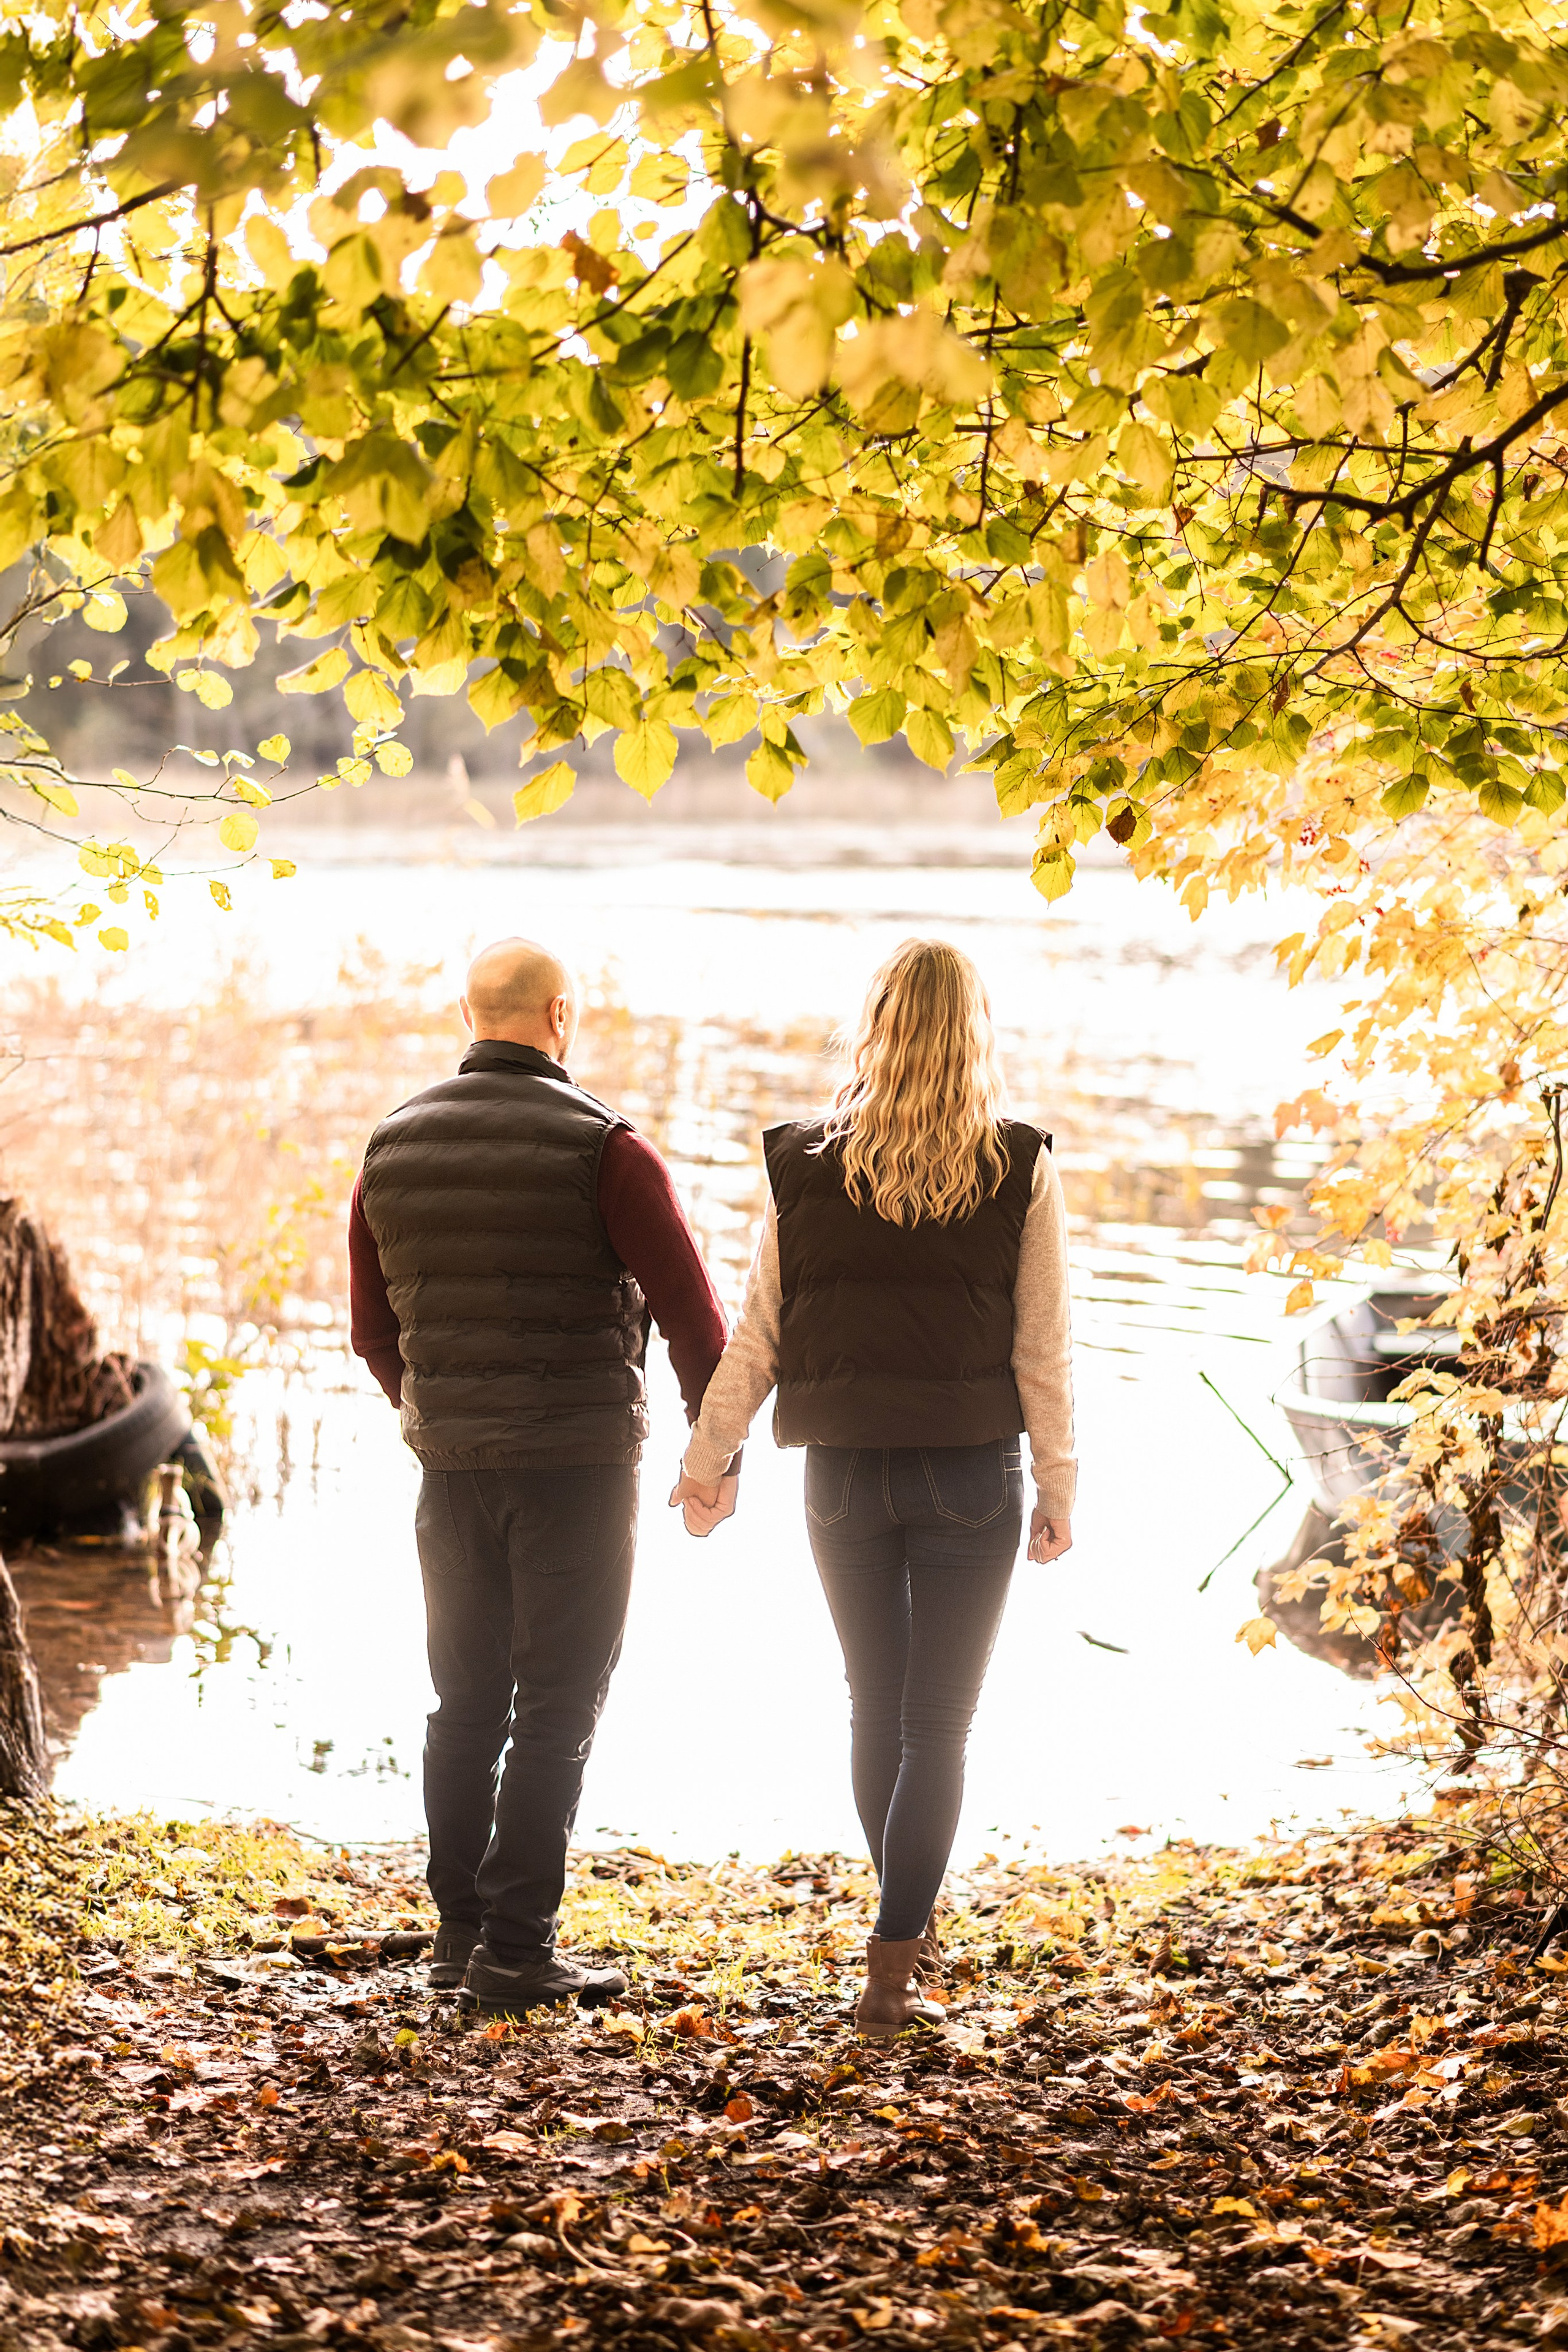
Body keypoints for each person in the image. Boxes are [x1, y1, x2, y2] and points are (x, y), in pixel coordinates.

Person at [670, 938, 1074, 2039]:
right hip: (968, 1475)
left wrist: (709, 1457)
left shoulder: (804, 1162)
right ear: (974, 1033)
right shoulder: (1021, 1163)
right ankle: (895, 1968)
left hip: (843, 1475)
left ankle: (903, 1919)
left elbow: (757, 1337)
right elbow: (1044, 1351)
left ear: (876, 1027)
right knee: (937, 1726)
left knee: (875, 1707)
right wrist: (1060, 1481)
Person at [350, 937, 728, 2015]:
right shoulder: (608, 1150)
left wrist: (437, 1414)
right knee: (557, 1707)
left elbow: (373, 1333)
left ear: (470, 1017)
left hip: (451, 1472)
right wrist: (715, 1457)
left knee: (462, 1705)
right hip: (577, 1472)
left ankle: (459, 1932)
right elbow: (697, 1322)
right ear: (560, 1016)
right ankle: (516, 1951)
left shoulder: (391, 1147)